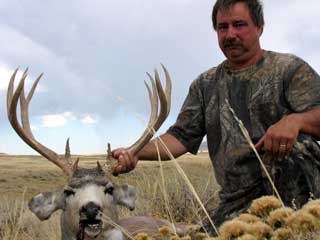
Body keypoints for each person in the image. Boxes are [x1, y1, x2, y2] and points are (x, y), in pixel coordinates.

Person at [112, 0, 320, 233]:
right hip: (236, 203)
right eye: (223, 27)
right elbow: (179, 138)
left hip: (296, 202)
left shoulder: (289, 69)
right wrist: (135, 152)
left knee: (295, 147)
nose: (230, 34)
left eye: (239, 25)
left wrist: (295, 121)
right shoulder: (205, 85)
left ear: (260, 27)